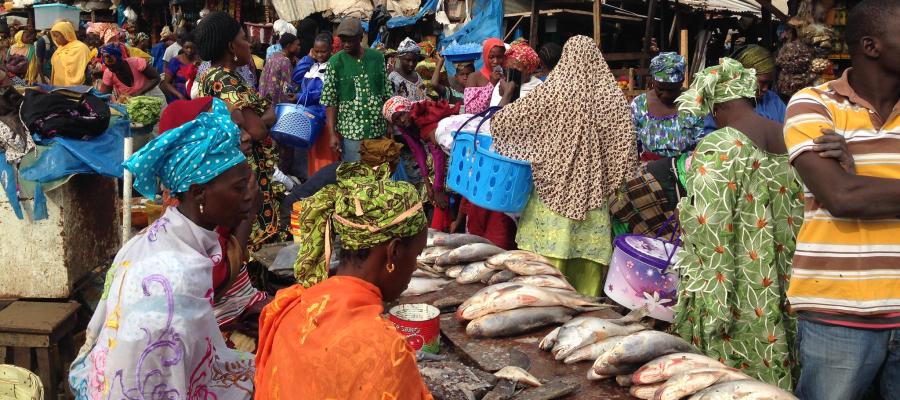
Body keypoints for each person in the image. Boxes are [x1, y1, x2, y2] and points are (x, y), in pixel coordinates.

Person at [68, 97, 255, 399]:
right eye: (239, 187)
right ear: (199, 192)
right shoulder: (176, 277)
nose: (249, 195)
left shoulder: (162, 237)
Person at [784, 0, 900, 398]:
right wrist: (848, 184)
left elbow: (852, 189)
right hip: (838, 313)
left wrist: (857, 174)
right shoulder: (814, 104)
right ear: (871, 46)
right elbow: (842, 196)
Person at [672, 58, 802, 390]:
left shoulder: (720, 146)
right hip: (786, 279)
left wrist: (713, 305)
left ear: (716, 107)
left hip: (739, 288)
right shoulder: (789, 138)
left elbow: (709, 229)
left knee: (730, 381)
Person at [254, 163, 433, 400]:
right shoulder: (385, 350)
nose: (415, 267)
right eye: (416, 255)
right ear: (394, 252)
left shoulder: (292, 305)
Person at [490, 36, 635, 296]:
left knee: (547, 253)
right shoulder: (612, 97)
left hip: (551, 190)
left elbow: (504, 124)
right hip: (593, 194)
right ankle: (585, 303)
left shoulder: (552, 91)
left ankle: (543, 298)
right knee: (586, 258)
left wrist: (508, 93)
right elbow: (625, 148)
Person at [195, 11, 290, 252]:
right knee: (252, 234)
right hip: (246, 169)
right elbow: (257, 129)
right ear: (231, 46)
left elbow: (260, 116)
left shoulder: (209, 75)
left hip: (232, 167)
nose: (249, 44)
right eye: (244, 39)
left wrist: (262, 116)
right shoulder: (226, 80)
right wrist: (263, 117)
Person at [322, 17, 391, 162]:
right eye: (343, 40)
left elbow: (387, 93)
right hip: (352, 134)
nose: (346, 44)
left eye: (350, 40)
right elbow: (330, 101)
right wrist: (332, 134)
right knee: (355, 173)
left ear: (360, 38)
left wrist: (390, 125)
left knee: (379, 170)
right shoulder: (335, 63)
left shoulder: (377, 58)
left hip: (377, 129)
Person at [631, 52, 705, 158]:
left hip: (685, 166)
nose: (666, 95)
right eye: (660, 89)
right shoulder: (639, 105)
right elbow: (631, 145)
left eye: (672, 90)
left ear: (682, 81)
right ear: (652, 80)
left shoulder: (694, 103)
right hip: (648, 167)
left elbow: (702, 145)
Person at [704, 45, 786, 133]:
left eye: (769, 83)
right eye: (762, 82)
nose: (765, 88)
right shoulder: (722, 103)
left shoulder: (774, 101)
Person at [293, 32, 338, 176]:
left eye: (323, 51)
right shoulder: (313, 66)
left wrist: (299, 97)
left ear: (331, 50)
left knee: (324, 157)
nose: (319, 55)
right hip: (309, 118)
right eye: (316, 51)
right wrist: (308, 57)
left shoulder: (332, 67)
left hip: (323, 119)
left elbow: (322, 92)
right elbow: (297, 76)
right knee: (313, 155)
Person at [98, 44, 163, 98]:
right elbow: (105, 96)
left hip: (153, 96)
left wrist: (138, 93)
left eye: (114, 66)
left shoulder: (137, 62)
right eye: (109, 67)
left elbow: (156, 78)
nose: (113, 70)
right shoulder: (108, 73)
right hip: (134, 103)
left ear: (121, 59)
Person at [259, 32, 299, 105]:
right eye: (297, 45)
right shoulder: (285, 61)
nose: (299, 47)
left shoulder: (272, 57)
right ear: (289, 46)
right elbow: (286, 86)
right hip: (276, 103)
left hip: (265, 100)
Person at [49, 21, 89, 87]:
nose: (55, 39)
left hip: (73, 89)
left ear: (66, 34)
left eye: (56, 36)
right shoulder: (59, 49)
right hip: (57, 87)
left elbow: (84, 69)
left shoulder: (80, 48)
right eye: (53, 36)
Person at [160, 33, 198, 101]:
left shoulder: (200, 61)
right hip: (178, 99)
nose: (189, 50)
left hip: (196, 98)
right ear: (182, 47)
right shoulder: (175, 61)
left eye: (191, 47)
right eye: (186, 47)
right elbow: (167, 83)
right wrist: (179, 95)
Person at [389, 37, 426, 101]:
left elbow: (423, 96)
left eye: (414, 61)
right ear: (400, 58)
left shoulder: (418, 77)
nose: (411, 64)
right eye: (408, 60)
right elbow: (392, 102)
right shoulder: (393, 78)